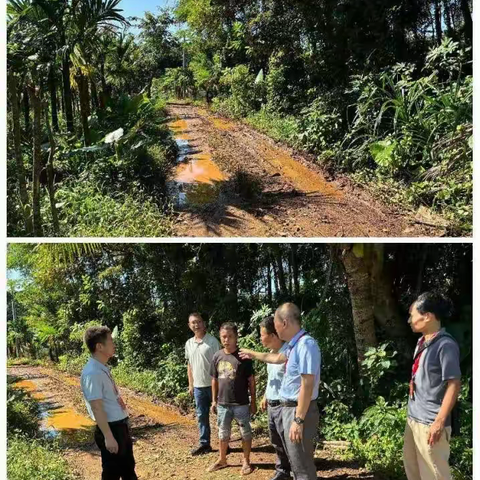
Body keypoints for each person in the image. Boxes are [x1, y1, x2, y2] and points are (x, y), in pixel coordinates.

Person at [240, 303, 321, 480]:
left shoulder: (306, 345)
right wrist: (253, 354)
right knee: (296, 462)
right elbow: (275, 358)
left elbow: (307, 385)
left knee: (302, 465)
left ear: (284, 323)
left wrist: (298, 420)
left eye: (275, 324)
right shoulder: (294, 346)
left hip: (297, 410)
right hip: (289, 409)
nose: (275, 329)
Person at [404, 292, 461, 480]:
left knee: (435, 475)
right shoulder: (422, 342)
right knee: (413, 471)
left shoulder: (446, 345)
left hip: (431, 423)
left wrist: (439, 422)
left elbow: (454, 384)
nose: (409, 320)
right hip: (414, 419)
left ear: (426, 316)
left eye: (412, 315)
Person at [80, 326, 137, 480]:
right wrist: (109, 437)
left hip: (118, 426)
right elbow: (96, 407)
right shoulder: (93, 372)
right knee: (112, 472)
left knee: (127, 469)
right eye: (110, 341)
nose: (114, 344)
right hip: (111, 428)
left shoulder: (100, 367)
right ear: (99, 346)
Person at [208, 322, 257, 476]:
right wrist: (214, 401)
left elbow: (251, 381)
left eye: (230, 336)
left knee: (245, 433)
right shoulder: (217, 356)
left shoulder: (244, 357)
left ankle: (246, 461)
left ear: (236, 337)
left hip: (241, 404)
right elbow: (214, 380)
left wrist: (253, 401)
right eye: (223, 336)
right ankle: (222, 460)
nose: (226, 339)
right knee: (223, 433)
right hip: (222, 404)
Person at [259, 316, 291, 480]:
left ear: (272, 335)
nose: (260, 338)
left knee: (287, 442)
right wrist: (265, 395)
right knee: (276, 440)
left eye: (262, 334)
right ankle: (282, 471)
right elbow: (272, 379)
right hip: (272, 405)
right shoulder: (271, 354)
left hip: (284, 406)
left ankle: (295, 471)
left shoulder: (287, 353)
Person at [185, 312, 221, 455]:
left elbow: (220, 363)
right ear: (189, 326)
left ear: (204, 323)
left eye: (198, 322)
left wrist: (220, 384)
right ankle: (205, 444)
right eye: (193, 322)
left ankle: (224, 443)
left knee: (220, 416)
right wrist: (191, 384)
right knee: (201, 415)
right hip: (198, 386)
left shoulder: (212, 342)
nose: (196, 325)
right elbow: (190, 365)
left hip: (214, 385)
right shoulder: (188, 343)